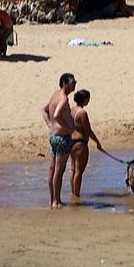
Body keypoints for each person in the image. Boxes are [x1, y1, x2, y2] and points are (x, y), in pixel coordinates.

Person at [68, 88, 112, 199]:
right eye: (88, 99)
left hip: (71, 142)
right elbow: (88, 130)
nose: (89, 101)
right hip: (80, 143)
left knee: (73, 169)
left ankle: (74, 194)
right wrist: (97, 142)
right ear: (85, 99)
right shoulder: (82, 113)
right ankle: (76, 195)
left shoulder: (72, 110)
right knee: (79, 171)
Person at [42, 72, 78, 208]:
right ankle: (56, 201)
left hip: (54, 136)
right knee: (59, 169)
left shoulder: (55, 95)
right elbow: (56, 114)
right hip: (62, 137)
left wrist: (50, 125)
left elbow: (44, 110)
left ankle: (52, 200)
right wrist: (68, 128)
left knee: (52, 169)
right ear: (65, 84)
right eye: (72, 82)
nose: (75, 84)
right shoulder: (63, 98)